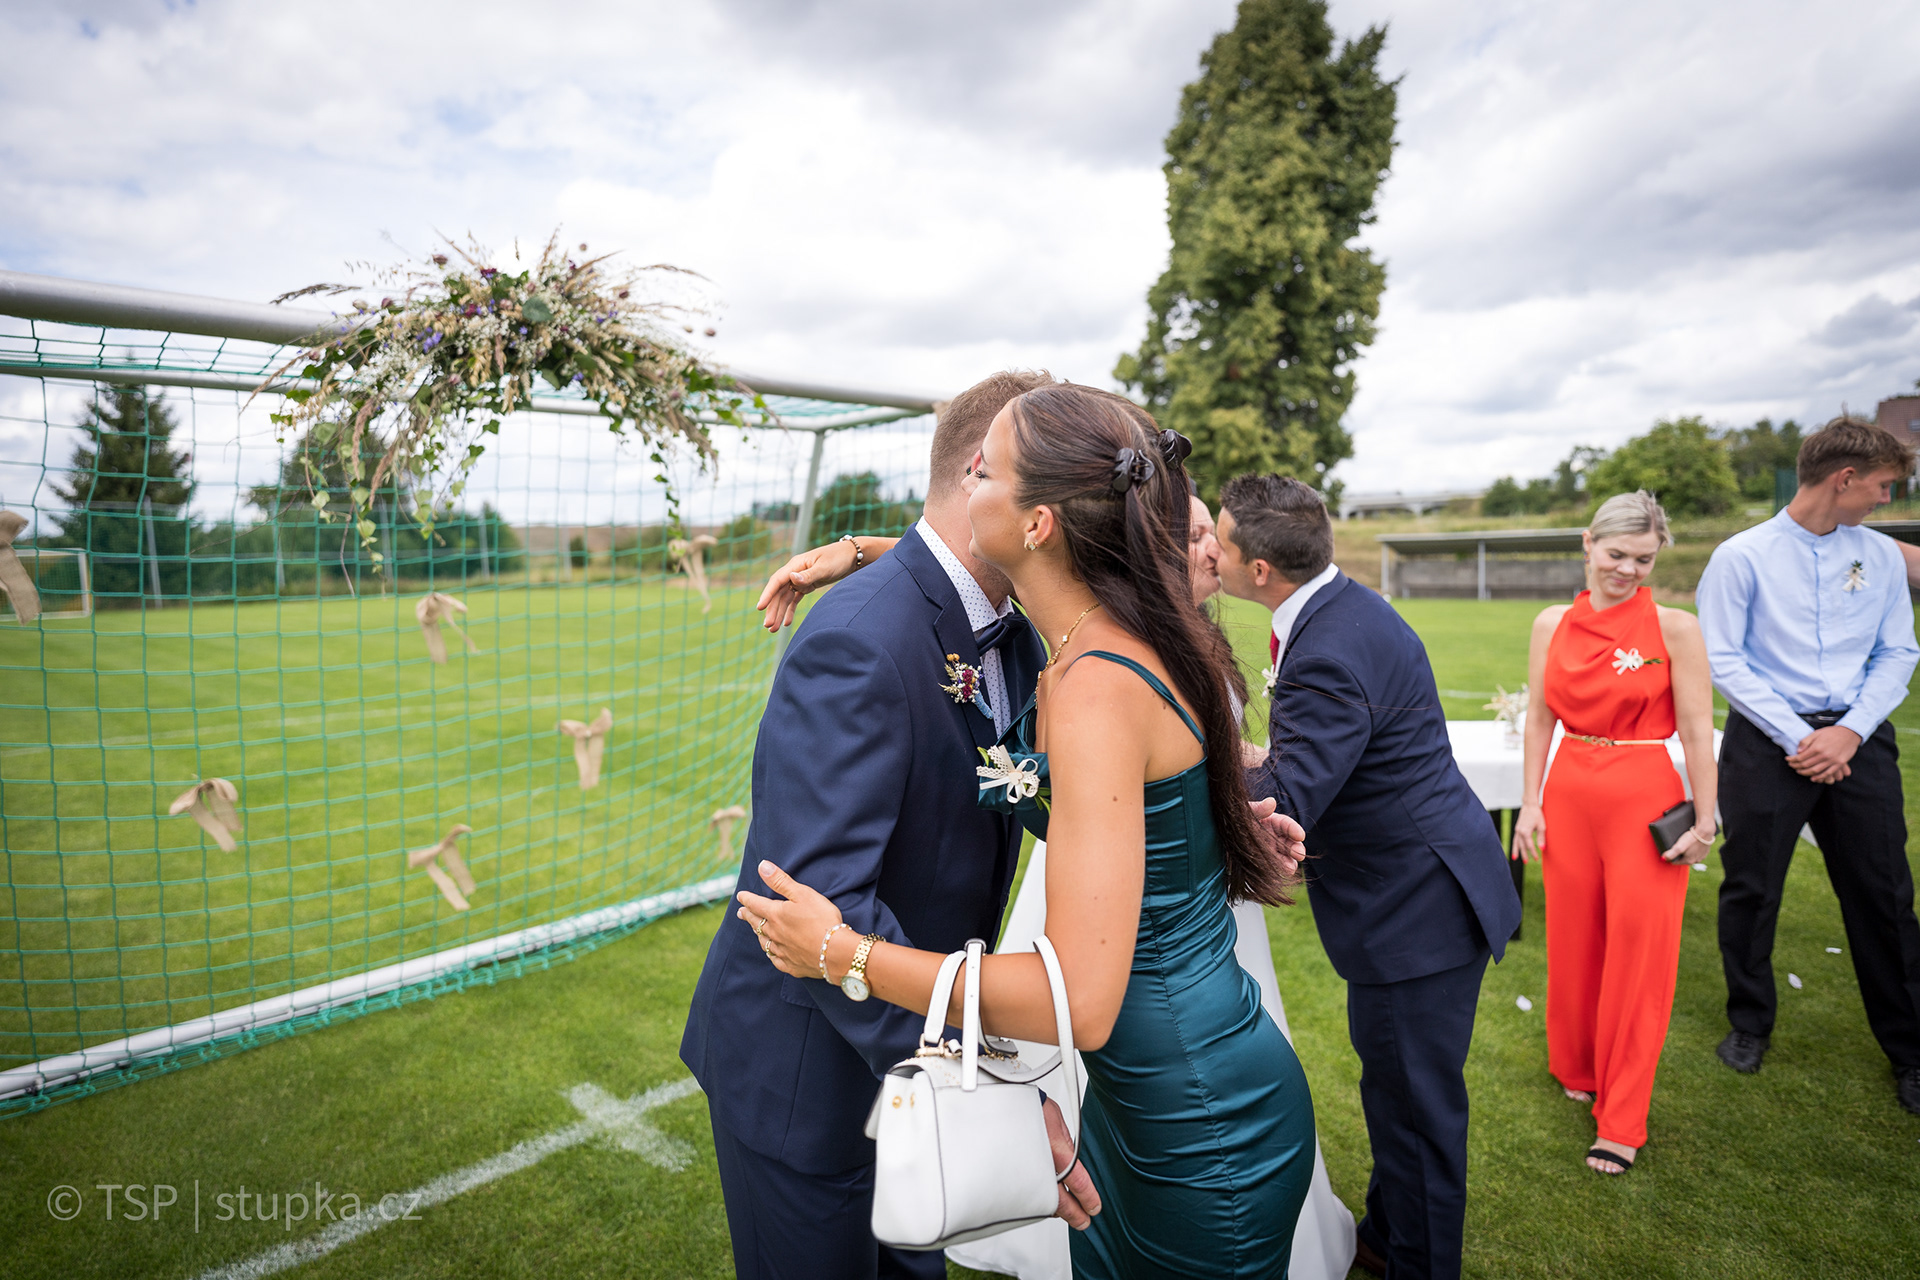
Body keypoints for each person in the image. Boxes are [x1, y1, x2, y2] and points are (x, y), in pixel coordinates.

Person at [739, 384, 1317, 1279]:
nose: (965, 484)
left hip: (1193, 1114)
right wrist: (862, 554)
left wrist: (843, 953)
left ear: (1041, 523)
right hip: (1148, 1096)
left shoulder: (1091, 681)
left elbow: (1078, 1002)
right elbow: (959, 576)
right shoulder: (1109, 631)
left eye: (985, 472)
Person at [679, 369, 1090, 1280]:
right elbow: (819, 896)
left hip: (909, 1049)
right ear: (986, 473)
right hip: (809, 1076)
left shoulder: (1015, 633)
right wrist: (973, 1076)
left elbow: (1013, 787)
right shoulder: (858, 640)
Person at [949, 489, 1357, 1280]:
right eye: (1193, 532)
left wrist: (847, 954)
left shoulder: (1130, 669)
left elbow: (1172, 781)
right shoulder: (1098, 646)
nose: (1211, 548)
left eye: (1212, 535)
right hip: (1130, 1081)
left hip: (1189, 1065)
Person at [1216, 474, 1521, 1280]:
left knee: (1417, 1113)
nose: (1209, 550)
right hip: (1428, 883)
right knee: (1399, 1091)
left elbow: (1288, 797)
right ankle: (1386, 1236)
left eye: (1220, 540)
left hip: (1414, 911)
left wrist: (1193, 763)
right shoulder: (1345, 606)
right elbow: (1329, 753)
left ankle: (1419, 1265)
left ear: (1257, 571)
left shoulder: (1324, 650)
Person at [1695, 415, 1920, 1116]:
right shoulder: (1741, 557)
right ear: (1845, 479)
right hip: (1767, 743)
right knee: (1752, 887)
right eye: (1883, 485)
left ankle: (1911, 1050)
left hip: (1860, 739)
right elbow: (1724, 659)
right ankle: (1749, 1023)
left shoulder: (1880, 557)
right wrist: (1800, 737)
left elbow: (1899, 650)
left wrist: (1849, 731)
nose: (1886, 498)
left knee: (1885, 894)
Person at [1510, 491, 1718, 1175]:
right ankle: (1577, 1063)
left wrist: (1706, 818)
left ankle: (1622, 1119)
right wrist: (1530, 803)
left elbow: (1697, 732)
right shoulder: (1551, 623)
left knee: (1640, 955)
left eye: (1644, 559)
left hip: (1642, 796)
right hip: (1568, 792)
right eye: (1617, 554)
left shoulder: (1675, 628)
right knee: (1574, 940)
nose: (1628, 569)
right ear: (1588, 544)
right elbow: (1540, 719)